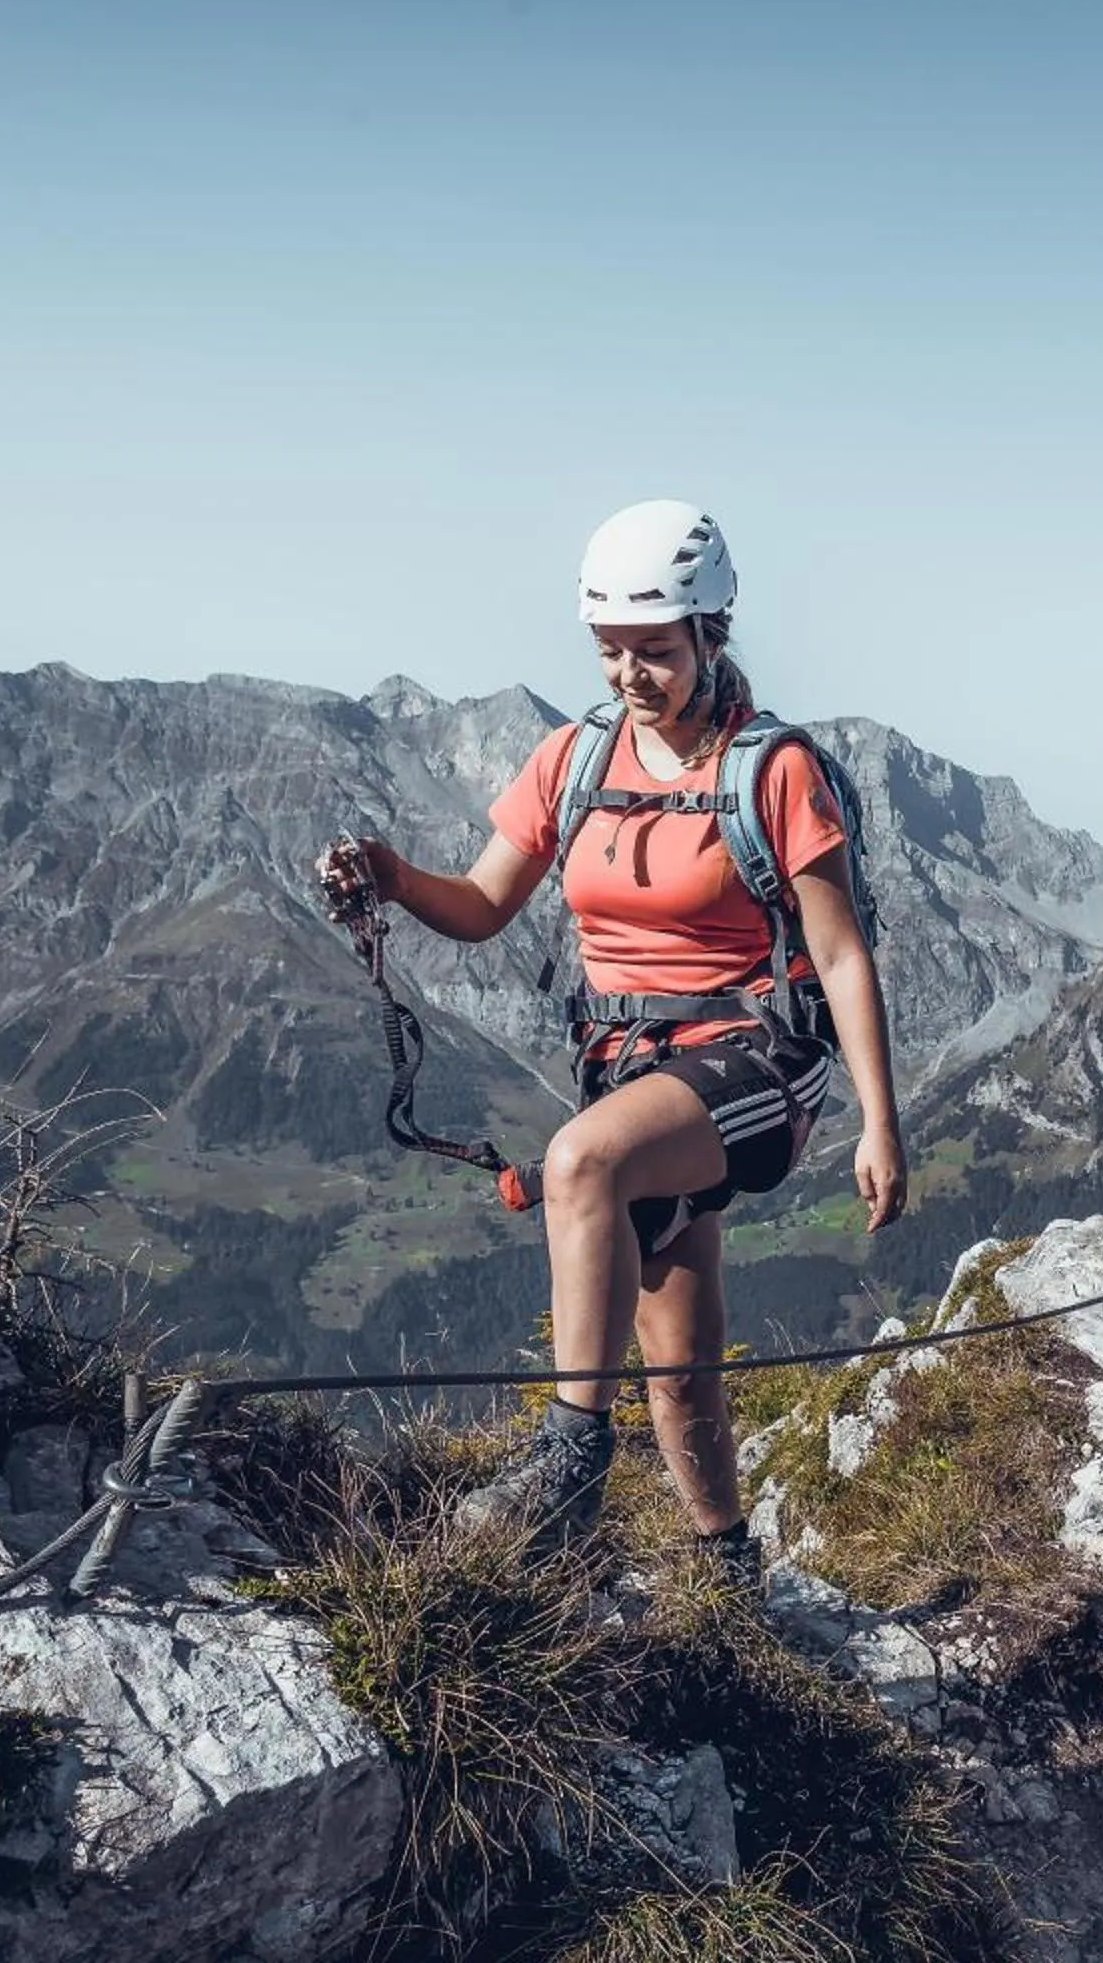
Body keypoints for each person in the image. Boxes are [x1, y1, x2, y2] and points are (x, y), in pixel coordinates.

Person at [317, 499, 902, 1573]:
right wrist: (393, 877)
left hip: (758, 1061)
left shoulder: (773, 770)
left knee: (581, 1162)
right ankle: (729, 1563)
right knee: (676, 1357)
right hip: (629, 1070)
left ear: (710, 635)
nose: (631, 672)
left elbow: (844, 951)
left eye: (655, 651)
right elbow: (486, 901)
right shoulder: (574, 759)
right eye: (611, 650)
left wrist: (880, 1121)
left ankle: (564, 1462)